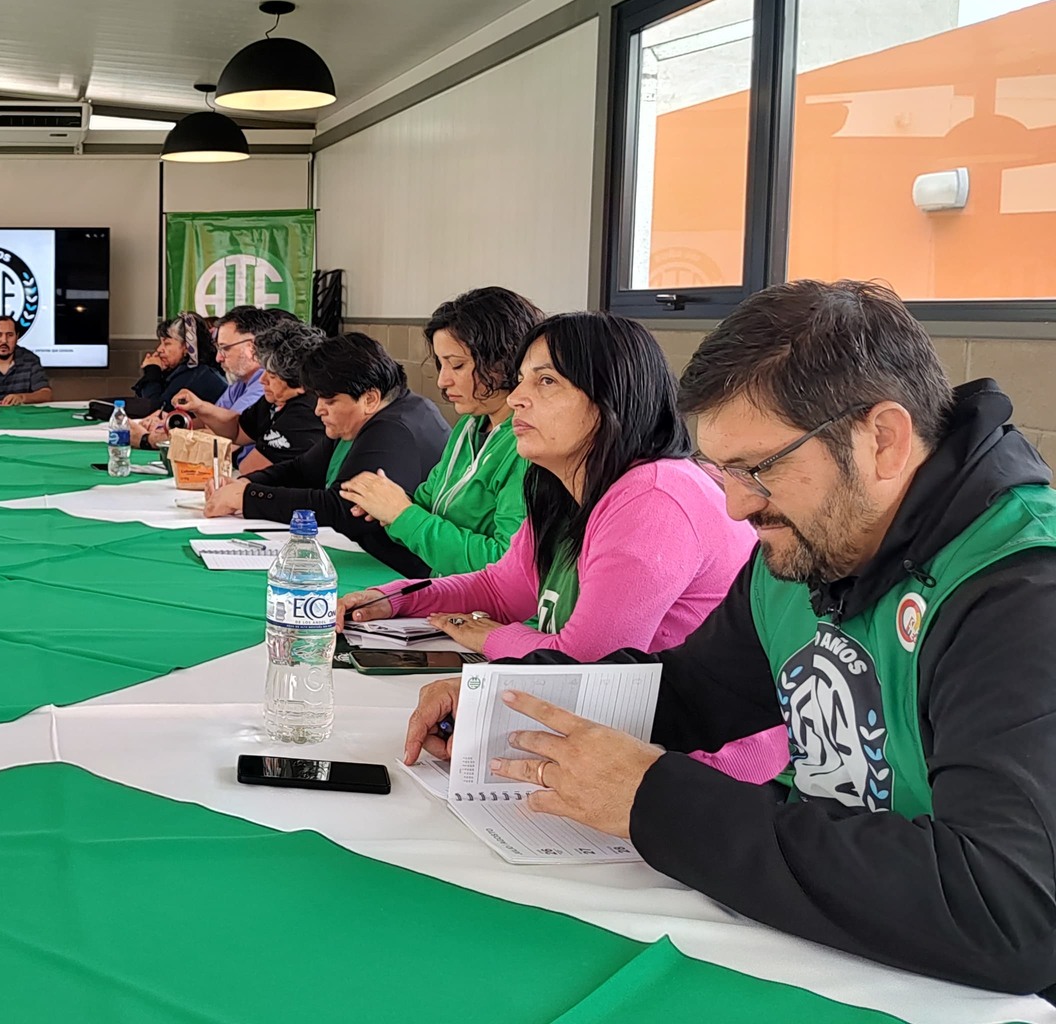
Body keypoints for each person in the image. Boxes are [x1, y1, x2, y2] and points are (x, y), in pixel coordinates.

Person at [402, 281, 1056, 996]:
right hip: (835, 948)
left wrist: (655, 800)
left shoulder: (1021, 591)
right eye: (723, 471)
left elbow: (1007, 910)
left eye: (758, 468)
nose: (737, 506)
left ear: (883, 441)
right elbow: (693, 692)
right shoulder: (803, 546)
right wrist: (508, 709)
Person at [343, 312, 753, 659]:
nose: (516, 398)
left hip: (676, 731)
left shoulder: (653, 498)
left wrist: (490, 637)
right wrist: (396, 599)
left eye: (546, 382)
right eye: (521, 379)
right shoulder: (564, 486)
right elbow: (501, 589)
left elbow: (587, 662)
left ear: (611, 396)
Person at [338, 286, 544, 576]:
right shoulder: (469, 427)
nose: (443, 381)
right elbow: (428, 505)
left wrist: (402, 514)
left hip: (482, 602)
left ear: (504, 362)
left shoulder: (529, 446)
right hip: (447, 591)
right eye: (441, 364)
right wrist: (384, 503)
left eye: (457, 365)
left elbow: (505, 565)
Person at [205, 333, 448, 574]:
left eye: (330, 401)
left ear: (369, 399)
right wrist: (244, 484)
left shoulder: (393, 429)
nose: (318, 410)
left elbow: (343, 509)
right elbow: (302, 469)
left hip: (397, 572)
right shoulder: (360, 420)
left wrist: (249, 498)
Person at [143, 307, 289, 454]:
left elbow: (227, 438)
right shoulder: (240, 384)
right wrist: (175, 421)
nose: (218, 358)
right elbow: (213, 425)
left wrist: (148, 439)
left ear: (252, 347)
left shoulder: (264, 385)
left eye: (225, 348)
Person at [231, 321, 329, 475]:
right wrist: (201, 407)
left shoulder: (305, 412)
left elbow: (249, 469)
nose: (262, 380)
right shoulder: (278, 397)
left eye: (272, 375)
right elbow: (238, 431)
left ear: (300, 383)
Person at [130, 312, 226, 414]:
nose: (159, 349)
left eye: (167, 343)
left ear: (187, 347)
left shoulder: (197, 374)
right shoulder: (182, 371)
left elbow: (156, 412)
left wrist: (152, 370)